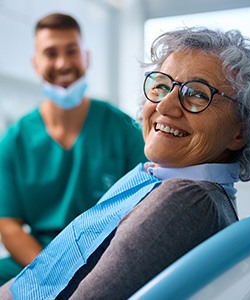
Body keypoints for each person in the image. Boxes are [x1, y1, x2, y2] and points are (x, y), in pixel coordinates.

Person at [0, 26, 250, 299]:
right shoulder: (163, 180)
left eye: (197, 94)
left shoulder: (185, 200)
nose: (164, 105)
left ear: (240, 130)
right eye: (162, 86)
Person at [0, 13, 146, 285]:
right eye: (50, 53)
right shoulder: (14, 141)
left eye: (72, 51)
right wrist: (51, 273)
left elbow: (146, 208)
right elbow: (8, 225)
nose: (63, 63)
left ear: (86, 58)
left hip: (109, 256)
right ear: (35, 64)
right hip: (40, 258)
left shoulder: (123, 130)